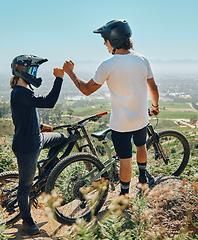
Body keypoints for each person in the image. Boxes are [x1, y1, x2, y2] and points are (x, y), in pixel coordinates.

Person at [63, 20, 159, 196]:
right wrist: (155, 106)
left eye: (105, 40)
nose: (104, 44)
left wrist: (70, 72)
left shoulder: (108, 65)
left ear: (113, 41)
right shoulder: (143, 60)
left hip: (121, 124)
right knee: (141, 145)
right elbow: (153, 88)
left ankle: (124, 195)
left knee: (125, 159)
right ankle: (143, 179)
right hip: (140, 119)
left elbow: (86, 90)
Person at [10, 55, 67, 235]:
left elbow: (22, 117)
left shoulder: (23, 92)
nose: (35, 74)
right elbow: (49, 102)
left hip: (38, 138)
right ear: (22, 71)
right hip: (27, 147)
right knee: (24, 188)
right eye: (33, 70)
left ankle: (47, 170)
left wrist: (41, 127)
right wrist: (59, 78)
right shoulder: (20, 93)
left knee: (64, 138)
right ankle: (27, 222)